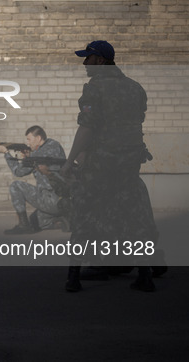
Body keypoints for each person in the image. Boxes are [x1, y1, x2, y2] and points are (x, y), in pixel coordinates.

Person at [61, 40, 159, 292]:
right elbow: (134, 124)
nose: (84, 64)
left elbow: (88, 128)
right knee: (132, 215)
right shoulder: (135, 88)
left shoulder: (95, 88)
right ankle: (144, 274)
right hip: (129, 164)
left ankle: (74, 277)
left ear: (102, 60)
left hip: (101, 165)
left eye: (89, 58)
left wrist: (70, 161)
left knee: (85, 211)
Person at [0, 125, 67, 234]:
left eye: (29, 139)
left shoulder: (37, 155)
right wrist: (28, 157)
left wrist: (6, 153)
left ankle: (23, 226)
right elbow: (43, 158)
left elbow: (18, 172)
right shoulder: (54, 145)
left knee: (16, 186)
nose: (28, 143)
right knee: (36, 222)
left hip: (51, 199)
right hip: (64, 200)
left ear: (38, 138)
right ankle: (61, 220)